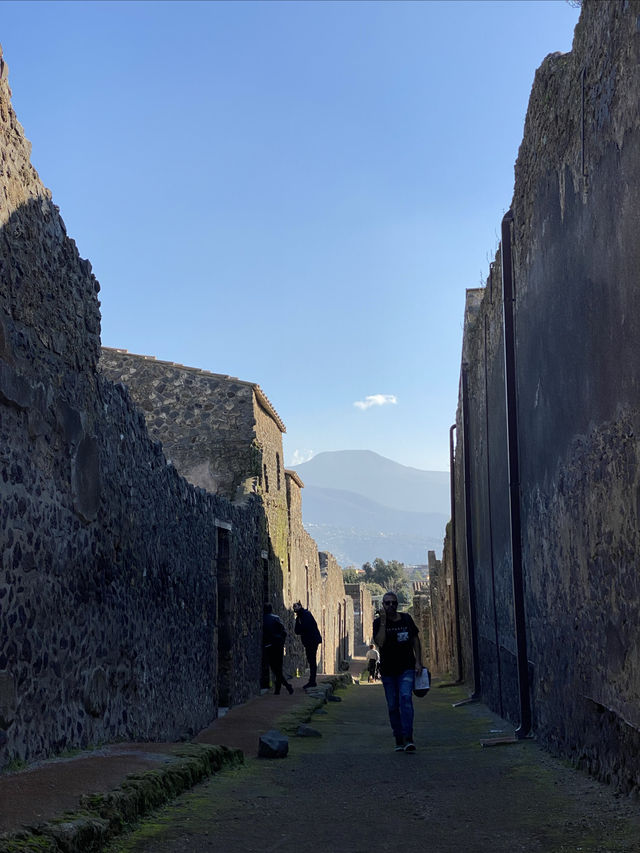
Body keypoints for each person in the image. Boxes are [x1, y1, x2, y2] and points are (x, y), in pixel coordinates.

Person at [373, 591, 423, 753]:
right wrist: (383, 622)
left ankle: (408, 738)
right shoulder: (378, 623)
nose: (391, 606)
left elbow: (415, 639)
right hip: (388, 670)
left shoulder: (406, 619)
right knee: (393, 705)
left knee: (405, 698)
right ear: (383, 605)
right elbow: (380, 642)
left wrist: (418, 661)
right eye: (387, 603)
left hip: (406, 667)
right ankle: (398, 739)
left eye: (393, 603)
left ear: (397, 603)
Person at [263, 603, 293, 695]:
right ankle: (280, 689)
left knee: (274, 668)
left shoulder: (263, 619)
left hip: (269, 646)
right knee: (278, 668)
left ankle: (285, 687)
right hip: (278, 645)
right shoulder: (276, 618)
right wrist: (281, 641)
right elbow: (284, 632)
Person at [293, 601, 322, 689]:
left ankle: (312, 681)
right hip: (309, 641)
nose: (296, 611)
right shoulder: (300, 617)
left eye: (296, 609)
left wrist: (301, 628)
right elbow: (297, 630)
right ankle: (312, 680)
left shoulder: (306, 615)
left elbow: (305, 627)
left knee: (312, 660)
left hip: (312, 641)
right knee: (311, 660)